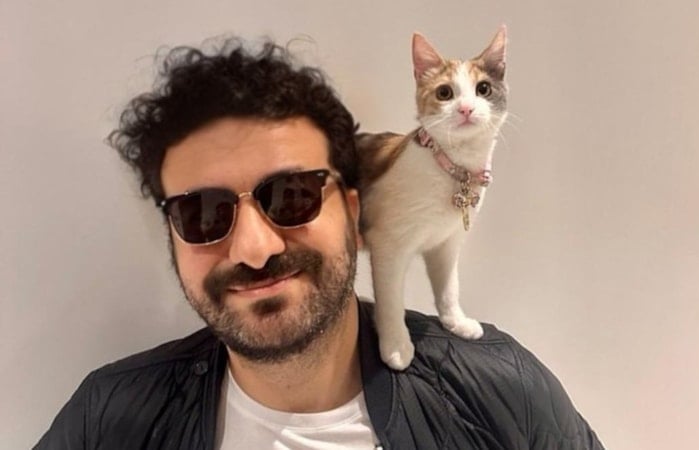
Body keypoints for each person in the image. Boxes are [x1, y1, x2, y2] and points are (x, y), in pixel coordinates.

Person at [35, 37, 604, 450]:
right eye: (202, 213)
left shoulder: (505, 393)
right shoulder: (105, 420)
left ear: (353, 213)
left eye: (292, 196)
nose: (254, 248)